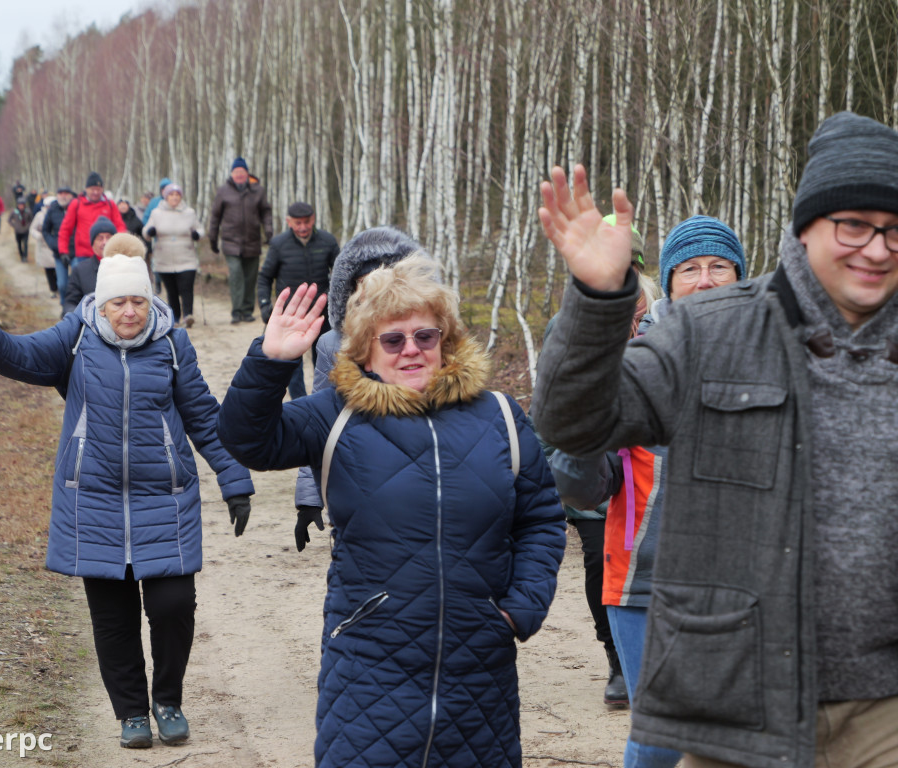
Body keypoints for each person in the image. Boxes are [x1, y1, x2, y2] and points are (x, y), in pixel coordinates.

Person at [531, 111, 898, 768]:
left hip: (885, 710)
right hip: (738, 707)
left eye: (895, 230)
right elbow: (574, 423)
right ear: (806, 227)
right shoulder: (708, 331)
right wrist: (595, 298)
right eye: (855, 226)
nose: (877, 248)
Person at [218, 255, 566, 767]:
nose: (411, 350)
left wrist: (520, 609)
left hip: (480, 670)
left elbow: (540, 519)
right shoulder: (335, 415)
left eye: (425, 336)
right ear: (365, 347)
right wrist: (270, 363)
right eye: (393, 339)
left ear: (445, 340)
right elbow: (248, 441)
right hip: (368, 665)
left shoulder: (500, 417)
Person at [0, 241, 254, 751]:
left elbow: (205, 419)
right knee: (113, 618)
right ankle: (131, 714)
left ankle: (167, 701)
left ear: (151, 302)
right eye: (118, 302)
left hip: (163, 498)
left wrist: (234, 480)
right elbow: (19, 355)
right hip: (92, 501)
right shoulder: (75, 338)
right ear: (101, 304)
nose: (129, 311)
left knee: (174, 605)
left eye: (138, 302)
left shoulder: (173, 346)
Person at [548, 215, 746, 768]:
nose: (705, 280)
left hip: (745, 581)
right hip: (646, 580)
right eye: (690, 269)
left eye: (719, 267)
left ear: (741, 277)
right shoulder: (635, 359)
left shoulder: (769, 357)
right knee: (660, 739)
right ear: (670, 280)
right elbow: (582, 488)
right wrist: (586, 422)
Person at [292, 226, 424, 551]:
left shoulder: (425, 340)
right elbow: (316, 422)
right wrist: (309, 497)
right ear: (351, 290)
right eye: (365, 285)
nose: (374, 293)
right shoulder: (331, 345)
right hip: (354, 477)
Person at [257, 201, 340, 399]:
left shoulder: (327, 241)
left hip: (322, 314)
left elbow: (341, 275)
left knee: (325, 360)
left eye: (307, 222)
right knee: (293, 364)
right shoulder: (278, 244)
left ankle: (324, 401)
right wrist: (264, 304)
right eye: (297, 223)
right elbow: (265, 277)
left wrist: (338, 303)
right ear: (289, 222)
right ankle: (301, 402)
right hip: (291, 315)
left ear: (313, 219)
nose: (303, 227)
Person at [208, 157, 273, 324]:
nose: (239, 175)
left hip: (252, 241)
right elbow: (215, 216)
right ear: (232, 174)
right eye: (236, 172)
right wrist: (212, 239)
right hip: (231, 242)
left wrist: (268, 231)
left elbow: (266, 212)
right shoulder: (223, 191)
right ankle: (236, 311)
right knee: (236, 275)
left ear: (246, 173)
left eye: (242, 172)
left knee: (250, 278)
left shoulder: (258, 190)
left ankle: (247, 310)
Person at [144, 183, 204, 328]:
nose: (175, 197)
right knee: (172, 290)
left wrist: (197, 234)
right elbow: (146, 231)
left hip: (186, 257)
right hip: (165, 258)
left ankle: (188, 315)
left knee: (186, 286)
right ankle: (175, 317)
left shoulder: (189, 212)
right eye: (171, 195)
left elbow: (200, 229)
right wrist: (150, 232)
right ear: (166, 197)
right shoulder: (157, 213)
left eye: (177, 195)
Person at [57, 172, 126, 265]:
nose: (96, 192)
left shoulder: (110, 205)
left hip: (106, 253)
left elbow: (120, 226)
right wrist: (63, 251)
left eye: (98, 189)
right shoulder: (76, 204)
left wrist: (121, 246)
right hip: (84, 254)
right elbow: (65, 229)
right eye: (92, 189)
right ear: (86, 189)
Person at [63, 217, 120, 316]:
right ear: (92, 244)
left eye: (108, 237)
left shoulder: (126, 267)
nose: (105, 242)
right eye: (100, 238)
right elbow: (70, 303)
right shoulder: (80, 270)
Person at [42, 186, 76, 306]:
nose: (63, 196)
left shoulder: (78, 207)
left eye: (66, 193)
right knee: (62, 284)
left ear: (71, 195)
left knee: (77, 282)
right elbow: (45, 230)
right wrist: (53, 244)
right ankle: (64, 307)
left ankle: (78, 309)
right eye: (60, 193)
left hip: (76, 252)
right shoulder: (53, 209)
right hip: (59, 253)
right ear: (57, 196)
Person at [30, 195, 59, 298]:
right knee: (49, 269)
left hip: (56, 245)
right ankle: (53, 290)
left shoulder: (58, 214)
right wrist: (38, 236)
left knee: (58, 269)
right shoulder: (39, 215)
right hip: (44, 246)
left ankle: (59, 287)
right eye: (47, 206)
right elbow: (32, 229)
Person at [8, 197, 33, 262]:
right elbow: (9, 220)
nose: (21, 206)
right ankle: (21, 256)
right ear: (17, 205)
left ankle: (25, 256)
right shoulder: (14, 211)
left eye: (22, 205)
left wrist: (28, 226)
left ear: (24, 205)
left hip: (25, 230)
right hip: (18, 231)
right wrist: (14, 225)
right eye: (19, 205)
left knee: (25, 244)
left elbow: (31, 220)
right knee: (19, 244)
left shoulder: (28, 211)